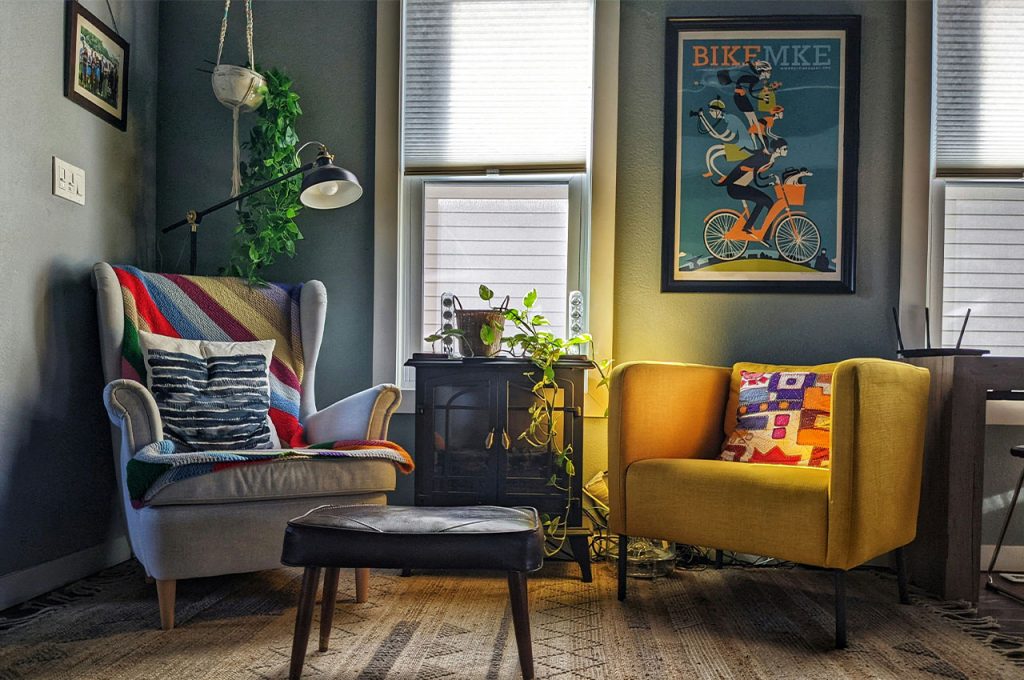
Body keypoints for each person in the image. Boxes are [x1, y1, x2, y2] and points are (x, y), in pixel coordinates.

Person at [717, 137, 789, 235]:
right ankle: (764, 234)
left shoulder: (771, 162)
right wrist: (755, 171)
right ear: (777, 150)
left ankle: (751, 228)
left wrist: (771, 179)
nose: (786, 151)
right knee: (768, 202)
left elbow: (758, 175)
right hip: (735, 187)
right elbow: (744, 168)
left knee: (764, 202)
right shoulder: (764, 158)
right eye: (785, 148)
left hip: (742, 186)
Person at [693, 97, 754, 180]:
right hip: (740, 146)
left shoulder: (731, 119)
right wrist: (702, 118)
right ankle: (710, 172)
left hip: (745, 149)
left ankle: (723, 176)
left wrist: (703, 119)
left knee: (713, 156)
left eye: (712, 111)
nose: (710, 113)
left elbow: (728, 138)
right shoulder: (728, 118)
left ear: (718, 111)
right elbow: (718, 135)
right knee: (710, 150)